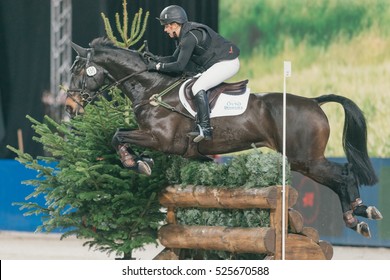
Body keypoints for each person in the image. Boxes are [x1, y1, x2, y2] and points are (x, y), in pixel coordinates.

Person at [145, 5, 240, 142]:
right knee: (194, 84)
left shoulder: (189, 37)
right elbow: (173, 58)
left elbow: (179, 66)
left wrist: (157, 66)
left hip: (228, 63)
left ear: (175, 24)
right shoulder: (186, 33)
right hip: (220, 62)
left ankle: (205, 128)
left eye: (166, 26)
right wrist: (155, 58)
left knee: (197, 87)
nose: (165, 30)